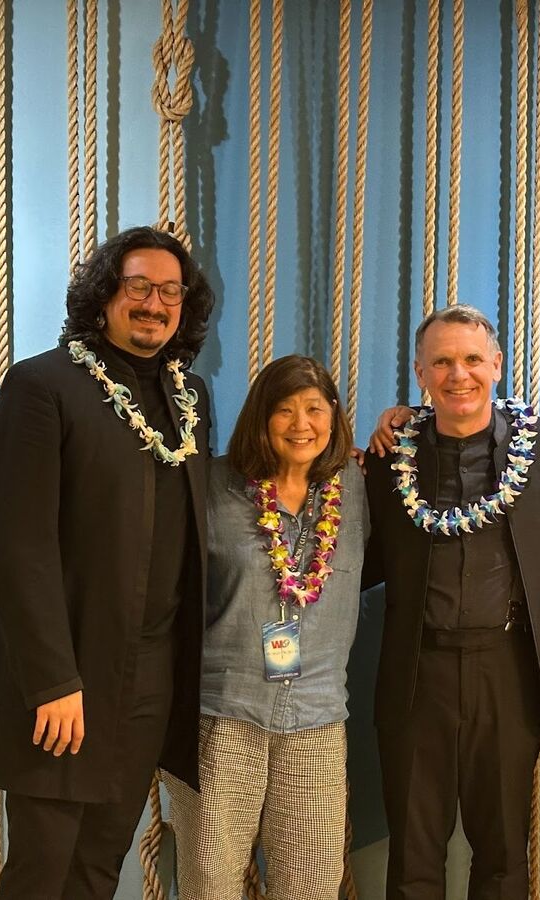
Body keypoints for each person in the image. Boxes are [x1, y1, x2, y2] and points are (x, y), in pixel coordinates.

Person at [0, 226, 215, 899]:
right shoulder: (42, 386)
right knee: (43, 870)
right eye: (138, 286)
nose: (154, 304)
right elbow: (16, 545)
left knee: (100, 866)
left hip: (152, 678)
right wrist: (53, 682)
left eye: (171, 292)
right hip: (66, 678)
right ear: (103, 294)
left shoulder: (188, 401)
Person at [362, 304, 540, 899]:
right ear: (420, 372)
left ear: (497, 365)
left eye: (473, 359)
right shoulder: (387, 456)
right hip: (415, 672)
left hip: (509, 672)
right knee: (413, 852)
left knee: (505, 850)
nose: (460, 374)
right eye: (443, 362)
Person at [166, 354, 368, 900]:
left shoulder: (355, 485)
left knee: (312, 886)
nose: (301, 425)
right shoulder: (211, 487)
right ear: (260, 418)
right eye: (284, 411)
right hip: (222, 713)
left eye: (313, 409)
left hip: (318, 719)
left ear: (333, 417)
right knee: (210, 883)